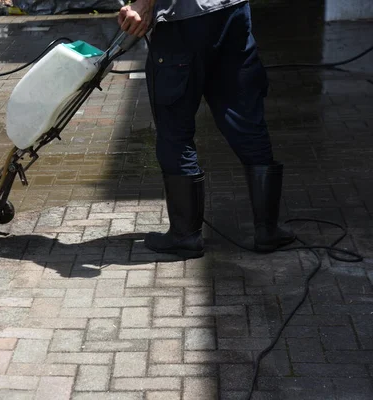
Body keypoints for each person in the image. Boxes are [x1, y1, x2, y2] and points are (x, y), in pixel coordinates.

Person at [117, 0, 296, 259]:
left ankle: (185, 236)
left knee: (174, 125)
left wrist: (145, 3)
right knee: (244, 115)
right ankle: (267, 229)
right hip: (231, 11)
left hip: (183, 21)